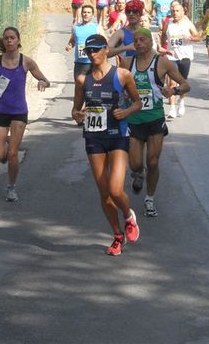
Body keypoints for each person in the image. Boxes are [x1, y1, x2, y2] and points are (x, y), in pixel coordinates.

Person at [72, 34, 142, 256]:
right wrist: (78, 115)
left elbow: (138, 102)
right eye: (88, 51)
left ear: (105, 50)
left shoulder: (122, 75)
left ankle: (129, 215)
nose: (92, 54)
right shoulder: (83, 80)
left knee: (115, 188)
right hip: (94, 137)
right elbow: (75, 110)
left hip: (117, 135)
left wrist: (126, 111)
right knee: (103, 193)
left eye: (95, 50)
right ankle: (117, 236)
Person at [0, 27, 51, 202]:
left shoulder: (26, 62)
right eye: (6, 38)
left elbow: (46, 80)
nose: (9, 41)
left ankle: (11, 187)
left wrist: (42, 82)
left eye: (12, 38)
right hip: (0, 111)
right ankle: (9, 142)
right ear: (3, 41)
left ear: (18, 41)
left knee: (13, 154)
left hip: (19, 112)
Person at [119, 28, 190, 217]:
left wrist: (173, 92)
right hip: (134, 120)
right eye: (136, 40)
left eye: (142, 39)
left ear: (151, 41)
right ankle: (137, 174)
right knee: (135, 164)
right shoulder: (127, 62)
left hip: (155, 119)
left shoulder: (162, 62)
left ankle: (149, 199)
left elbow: (186, 85)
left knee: (152, 161)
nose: (139, 43)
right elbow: (116, 85)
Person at [160, 1, 202, 118]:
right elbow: (163, 35)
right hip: (171, 57)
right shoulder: (168, 23)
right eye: (173, 11)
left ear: (183, 12)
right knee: (172, 82)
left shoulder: (188, 24)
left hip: (185, 57)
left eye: (177, 11)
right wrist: (162, 47)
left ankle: (182, 102)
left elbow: (198, 37)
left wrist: (190, 38)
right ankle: (172, 109)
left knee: (183, 81)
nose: (175, 13)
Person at [65, 4, 104, 82]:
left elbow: (105, 42)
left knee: (91, 88)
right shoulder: (76, 27)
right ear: (81, 13)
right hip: (79, 62)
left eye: (89, 12)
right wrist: (69, 46)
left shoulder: (97, 27)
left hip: (93, 62)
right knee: (78, 87)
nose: (86, 14)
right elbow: (73, 40)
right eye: (84, 12)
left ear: (92, 14)